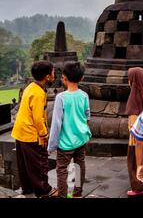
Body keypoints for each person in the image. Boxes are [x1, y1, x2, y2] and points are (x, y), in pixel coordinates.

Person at [11, 61, 58, 198]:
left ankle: (27, 188)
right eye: (53, 72)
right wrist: (44, 135)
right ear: (47, 76)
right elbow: (38, 118)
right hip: (31, 133)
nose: (54, 74)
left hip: (20, 131)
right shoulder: (39, 93)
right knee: (38, 163)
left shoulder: (30, 87)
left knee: (25, 164)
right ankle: (44, 190)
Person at [48, 62, 91, 198]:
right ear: (82, 78)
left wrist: (52, 145)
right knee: (79, 165)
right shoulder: (84, 95)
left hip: (65, 142)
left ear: (64, 78)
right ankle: (77, 193)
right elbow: (87, 116)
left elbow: (56, 123)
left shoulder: (61, 97)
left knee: (62, 170)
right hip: (81, 138)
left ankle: (63, 195)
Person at [124, 67, 143, 197]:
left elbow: (134, 129)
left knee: (135, 161)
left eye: (130, 79)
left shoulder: (133, 99)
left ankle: (139, 187)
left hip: (136, 141)